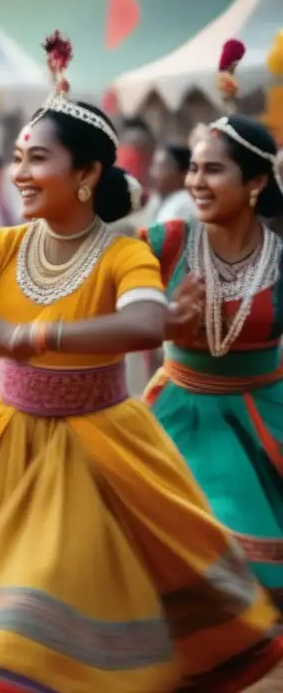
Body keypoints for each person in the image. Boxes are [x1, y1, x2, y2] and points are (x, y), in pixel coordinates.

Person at [0, 33, 283, 691]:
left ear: (86, 174)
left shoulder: (120, 252)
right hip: (2, 444)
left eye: (35, 158)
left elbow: (141, 319)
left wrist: (31, 337)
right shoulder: (3, 244)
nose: (18, 172)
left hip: (102, 448)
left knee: (43, 606)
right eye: (17, 157)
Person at [143, 110, 283, 606]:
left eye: (213, 170)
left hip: (263, 422)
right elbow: (104, 286)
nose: (196, 181)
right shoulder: (167, 242)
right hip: (177, 415)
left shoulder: (280, 258)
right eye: (194, 169)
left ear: (256, 183)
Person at [152, 142, 196, 223]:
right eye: (155, 166)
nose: (153, 173)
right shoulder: (159, 201)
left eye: (162, 167)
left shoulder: (183, 206)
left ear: (184, 174)